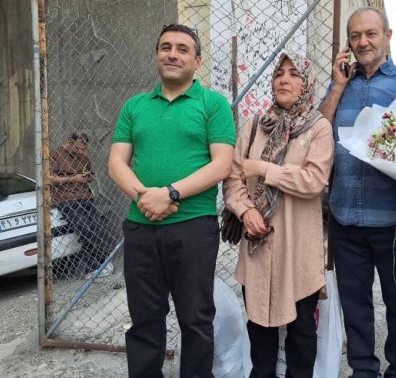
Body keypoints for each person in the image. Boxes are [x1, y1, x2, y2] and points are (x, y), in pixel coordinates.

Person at [107, 24, 235, 378]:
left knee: (195, 319)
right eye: (166, 47)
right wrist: (144, 197)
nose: (172, 54)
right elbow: (116, 162)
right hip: (141, 228)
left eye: (182, 49)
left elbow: (222, 164)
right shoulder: (135, 106)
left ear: (197, 60)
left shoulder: (213, 104)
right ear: (156, 55)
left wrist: (170, 193)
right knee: (145, 319)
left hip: (193, 228)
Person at [319, 7, 396, 378]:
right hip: (345, 216)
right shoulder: (340, 85)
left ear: (387, 36)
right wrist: (337, 86)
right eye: (355, 36)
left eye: (370, 34)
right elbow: (317, 131)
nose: (362, 42)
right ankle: (363, 370)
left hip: (394, 219)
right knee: (355, 305)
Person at [223, 52, 334, 378]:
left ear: (306, 83)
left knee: (301, 333)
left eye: (294, 74)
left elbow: (314, 181)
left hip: (298, 249)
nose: (284, 80)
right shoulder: (256, 125)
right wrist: (245, 211)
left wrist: (265, 169)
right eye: (278, 74)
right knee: (260, 331)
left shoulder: (318, 128)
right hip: (257, 246)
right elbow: (233, 177)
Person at [50, 132, 112, 277]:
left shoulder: (84, 158)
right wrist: (73, 179)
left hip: (86, 197)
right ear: (70, 142)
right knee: (85, 230)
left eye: (84, 149)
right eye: (78, 149)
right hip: (66, 199)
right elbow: (50, 179)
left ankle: (95, 267)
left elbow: (88, 175)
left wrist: (88, 178)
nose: (81, 152)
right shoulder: (55, 154)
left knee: (95, 230)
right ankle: (100, 263)